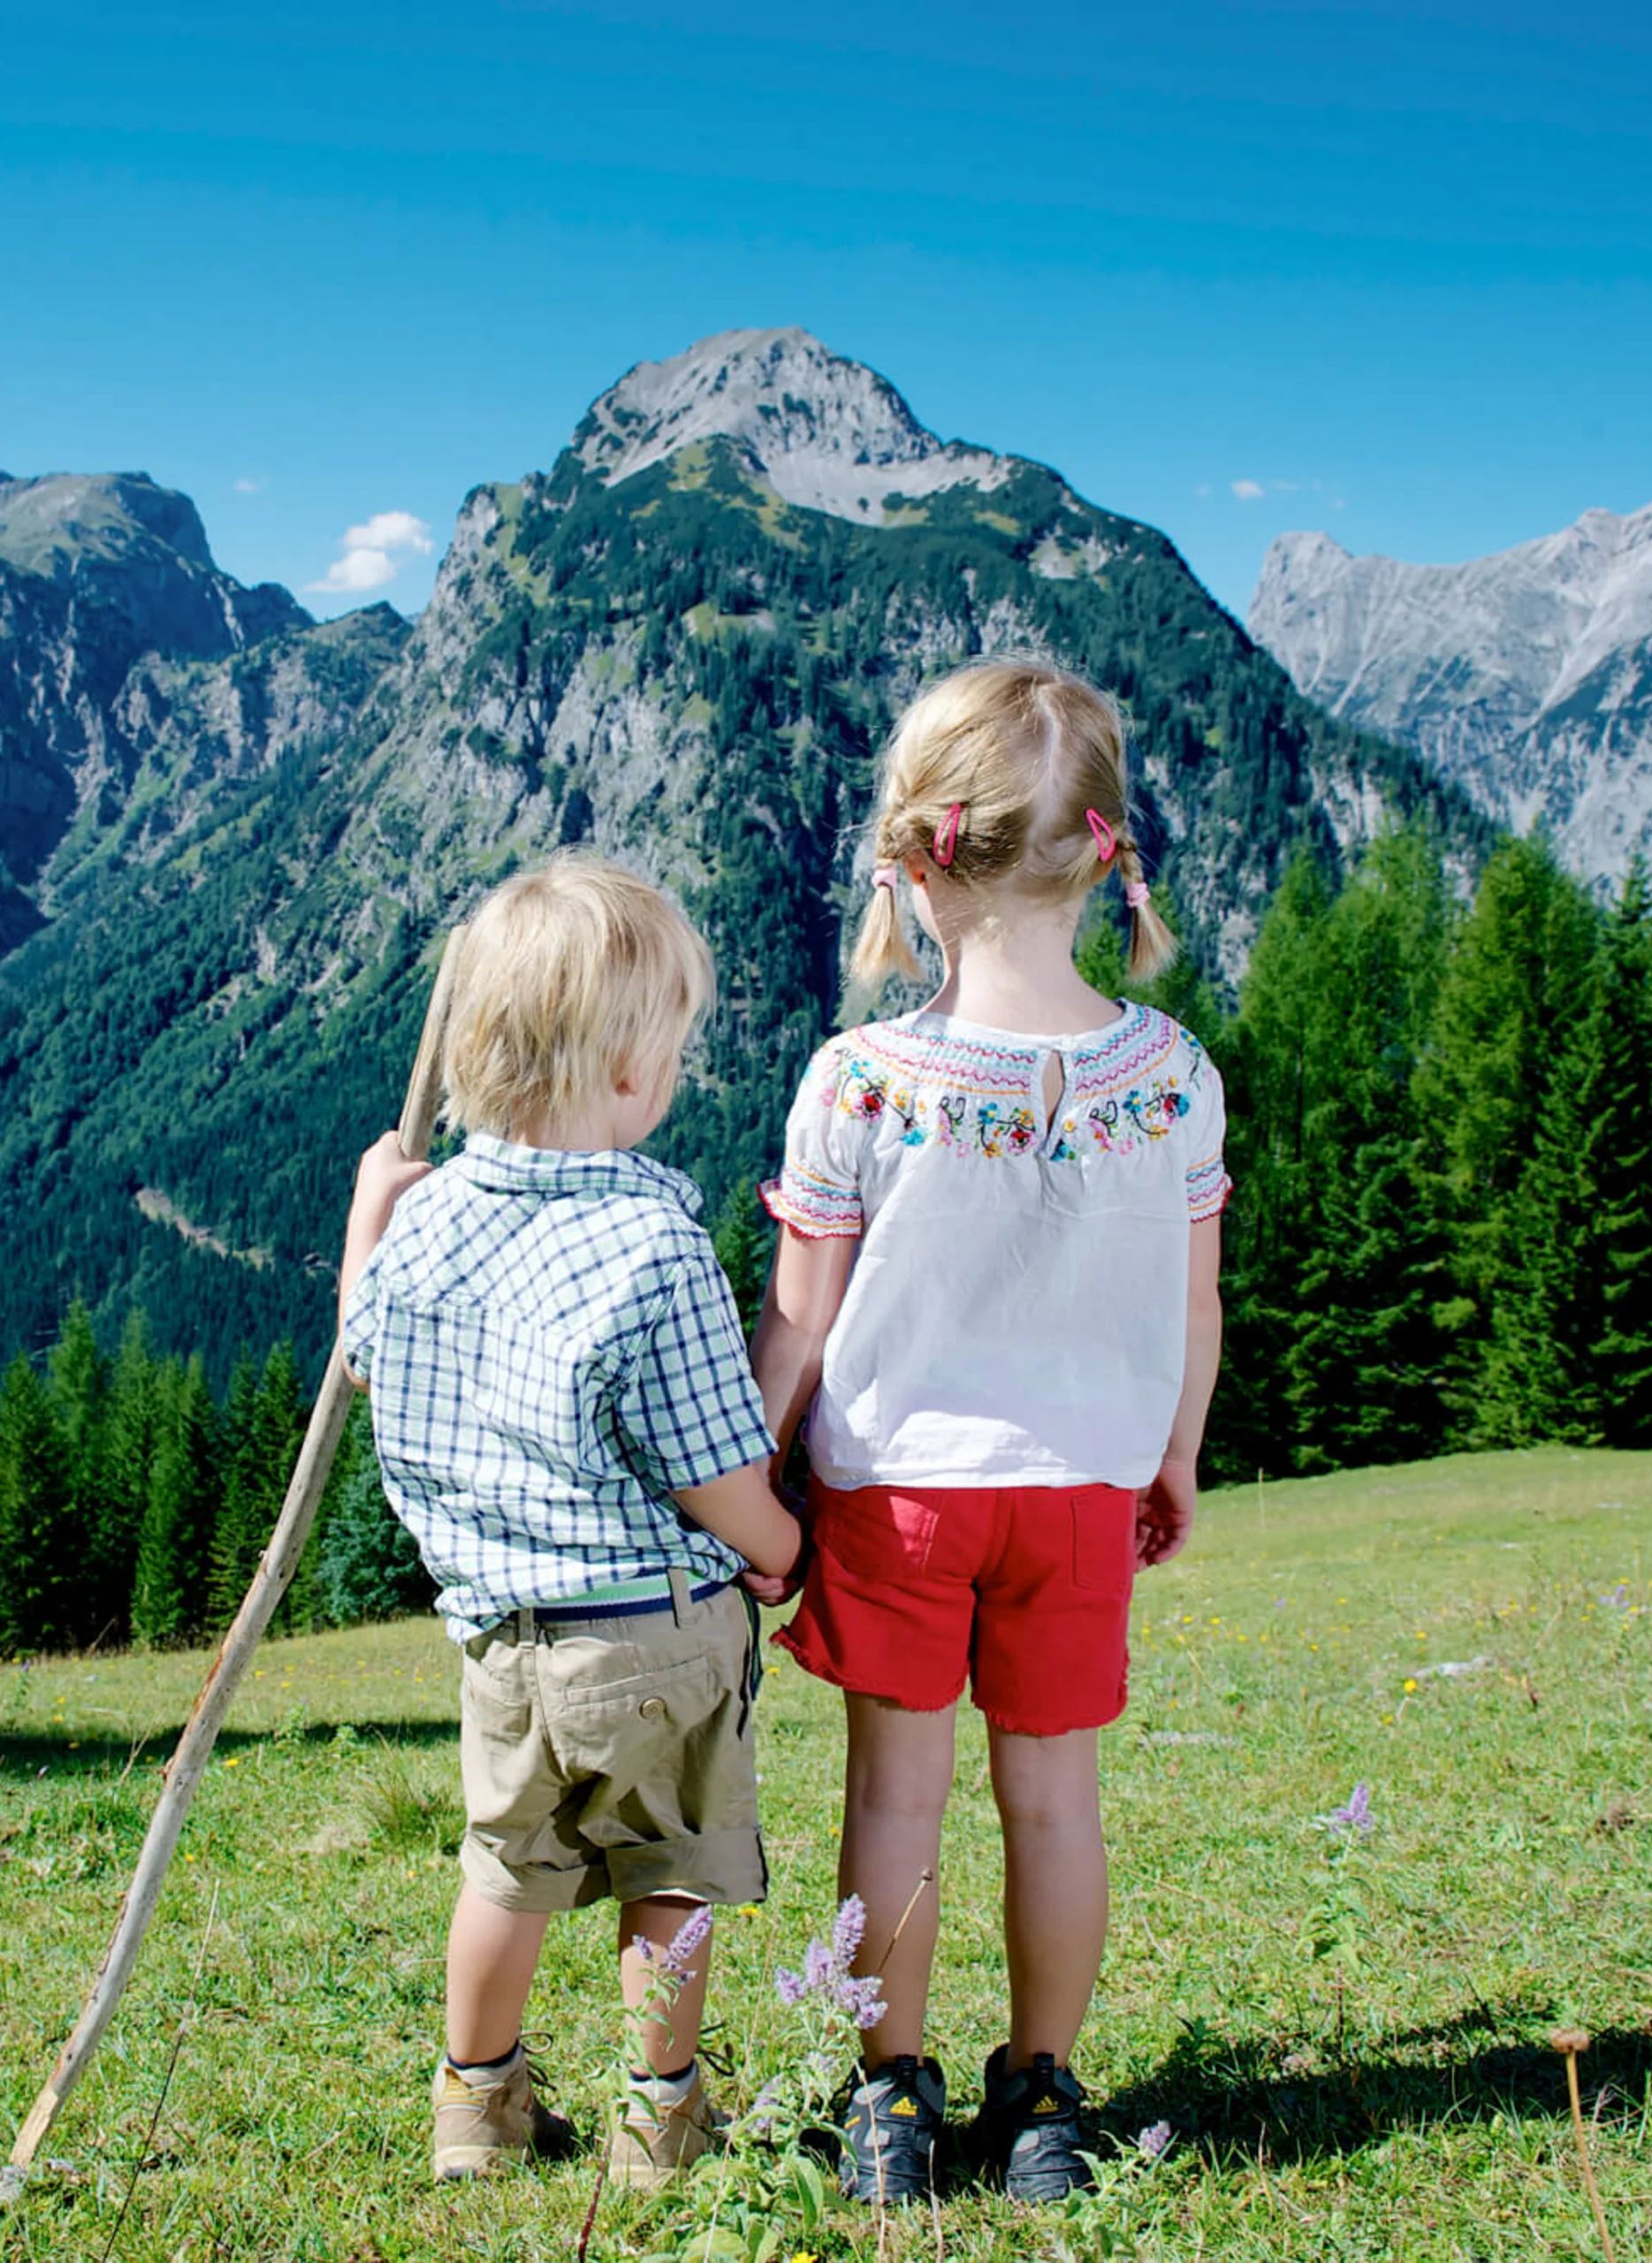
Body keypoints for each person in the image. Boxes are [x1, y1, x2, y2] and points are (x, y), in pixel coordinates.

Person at [749, 659, 1228, 2205]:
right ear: (1102, 854)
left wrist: (751, 1479)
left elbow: (800, 1328)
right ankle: (1044, 2101)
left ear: (916, 859)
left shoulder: (861, 1082)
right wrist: (1173, 1455)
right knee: (1055, 1804)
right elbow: (1195, 1302)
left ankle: (890, 2097)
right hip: (1080, 1493)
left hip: (898, 1499)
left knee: (895, 1799)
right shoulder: (1173, 1076)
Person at [339, 854, 802, 2188]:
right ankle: (660, 2121)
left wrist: (370, 1217)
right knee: (669, 1873)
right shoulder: (653, 1250)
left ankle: (475, 2109)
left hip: (500, 1643)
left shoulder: (424, 1226)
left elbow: (363, 1356)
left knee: (504, 1872)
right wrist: (779, 1550)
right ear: (625, 1071)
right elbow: (713, 1466)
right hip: (651, 1629)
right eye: (673, 1051)